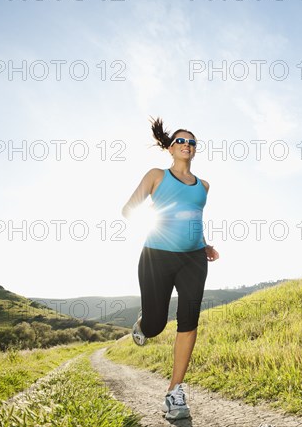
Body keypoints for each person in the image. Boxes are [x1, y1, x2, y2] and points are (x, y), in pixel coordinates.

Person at [121, 117, 219, 421]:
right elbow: (128, 209)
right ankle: (143, 325)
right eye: (181, 141)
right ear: (170, 148)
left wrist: (203, 243)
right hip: (156, 255)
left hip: (193, 260)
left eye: (191, 142)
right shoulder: (156, 176)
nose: (186, 145)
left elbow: (193, 218)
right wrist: (156, 218)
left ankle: (175, 392)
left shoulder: (204, 186)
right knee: (156, 324)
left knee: (189, 321)